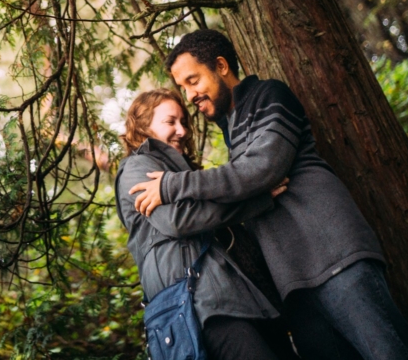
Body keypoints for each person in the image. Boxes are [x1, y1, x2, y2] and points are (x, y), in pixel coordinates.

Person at [129, 30, 408, 360]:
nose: (190, 96)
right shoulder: (233, 130)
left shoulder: (268, 96)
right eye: (184, 88)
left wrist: (171, 186)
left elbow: (262, 170)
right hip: (296, 288)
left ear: (221, 65)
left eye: (193, 81)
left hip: (333, 257)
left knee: (389, 352)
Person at [115, 88, 297, 360]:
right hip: (201, 304)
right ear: (143, 126)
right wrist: (255, 200)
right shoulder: (136, 167)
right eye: (170, 122)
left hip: (233, 298)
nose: (182, 130)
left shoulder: (179, 172)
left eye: (183, 122)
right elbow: (178, 219)